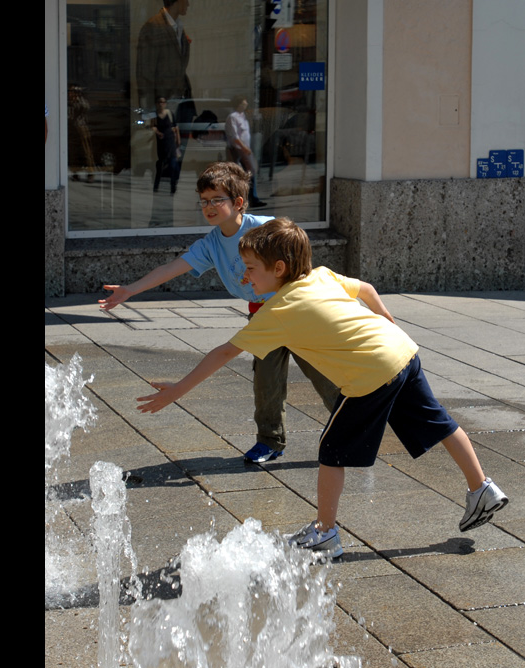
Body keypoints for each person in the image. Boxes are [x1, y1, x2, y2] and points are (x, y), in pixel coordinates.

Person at [136, 217, 509, 558]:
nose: (245, 277)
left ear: (278, 269)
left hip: (371, 374)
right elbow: (366, 288)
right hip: (402, 351)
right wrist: (387, 324)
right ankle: (483, 488)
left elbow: (224, 352)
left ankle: (325, 534)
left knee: (332, 449)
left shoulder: (278, 311)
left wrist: (176, 391)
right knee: (440, 421)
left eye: (250, 269)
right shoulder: (322, 276)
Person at [99, 162, 339, 462]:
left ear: (238, 202)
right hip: (263, 315)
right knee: (266, 382)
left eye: (216, 200)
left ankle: (352, 424)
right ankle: (270, 441)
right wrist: (130, 289)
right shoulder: (212, 243)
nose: (208, 207)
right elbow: (173, 268)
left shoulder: (266, 228)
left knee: (321, 371)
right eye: (203, 201)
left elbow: (301, 262)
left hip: (294, 310)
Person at [136, 0, 194, 113]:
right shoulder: (153, 27)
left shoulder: (179, 28)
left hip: (181, 104)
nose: (188, 3)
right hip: (163, 105)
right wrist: (149, 113)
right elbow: (145, 74)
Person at [225, 96, 265, 208]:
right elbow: (234, 136)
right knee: (243, 173)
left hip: (245, 148)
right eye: (243, 103)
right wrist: (243, 148)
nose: (245, 105)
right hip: (238, 149)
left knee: (250, 172)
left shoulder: (243, 117)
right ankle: (245, 198)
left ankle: (252, 197)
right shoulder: (232, 117)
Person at [152, 96, 181, 194]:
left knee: (173, 165)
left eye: (163, 102)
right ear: (156, 103)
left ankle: (173, 187)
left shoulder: (170, 113)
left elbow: (175, 127)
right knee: (159, 166)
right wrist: (158, 133)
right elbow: (152, 127)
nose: (161, 104)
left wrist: (178, 139)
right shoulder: (154, 115)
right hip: (160, 144)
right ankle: (156, 186)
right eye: (159, 102)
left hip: (170, 142)